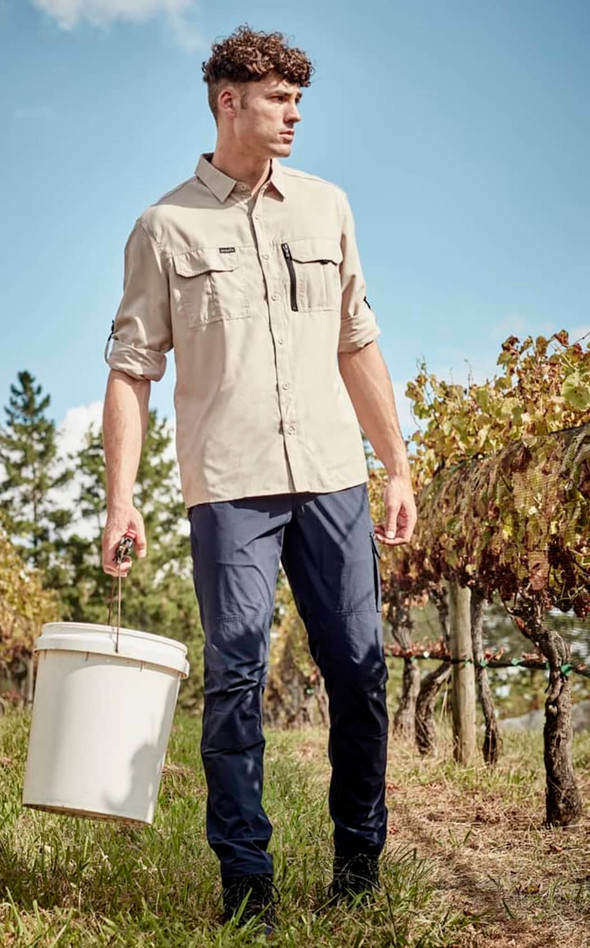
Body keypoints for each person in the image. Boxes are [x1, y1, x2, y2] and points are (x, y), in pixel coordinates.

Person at [101, 24, 417, 933]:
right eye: (278, 99)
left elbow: (358, 343)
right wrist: (121, 500)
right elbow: (130, 368)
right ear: (227, 101)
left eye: (299, 100)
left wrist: (395, 468)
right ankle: (248, 886)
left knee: (360, 674)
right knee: (235, 679)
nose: (294, 115)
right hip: (229, 488)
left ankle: (359, 863)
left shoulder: (328, 208)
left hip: (331, 477)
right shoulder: (164, 226)